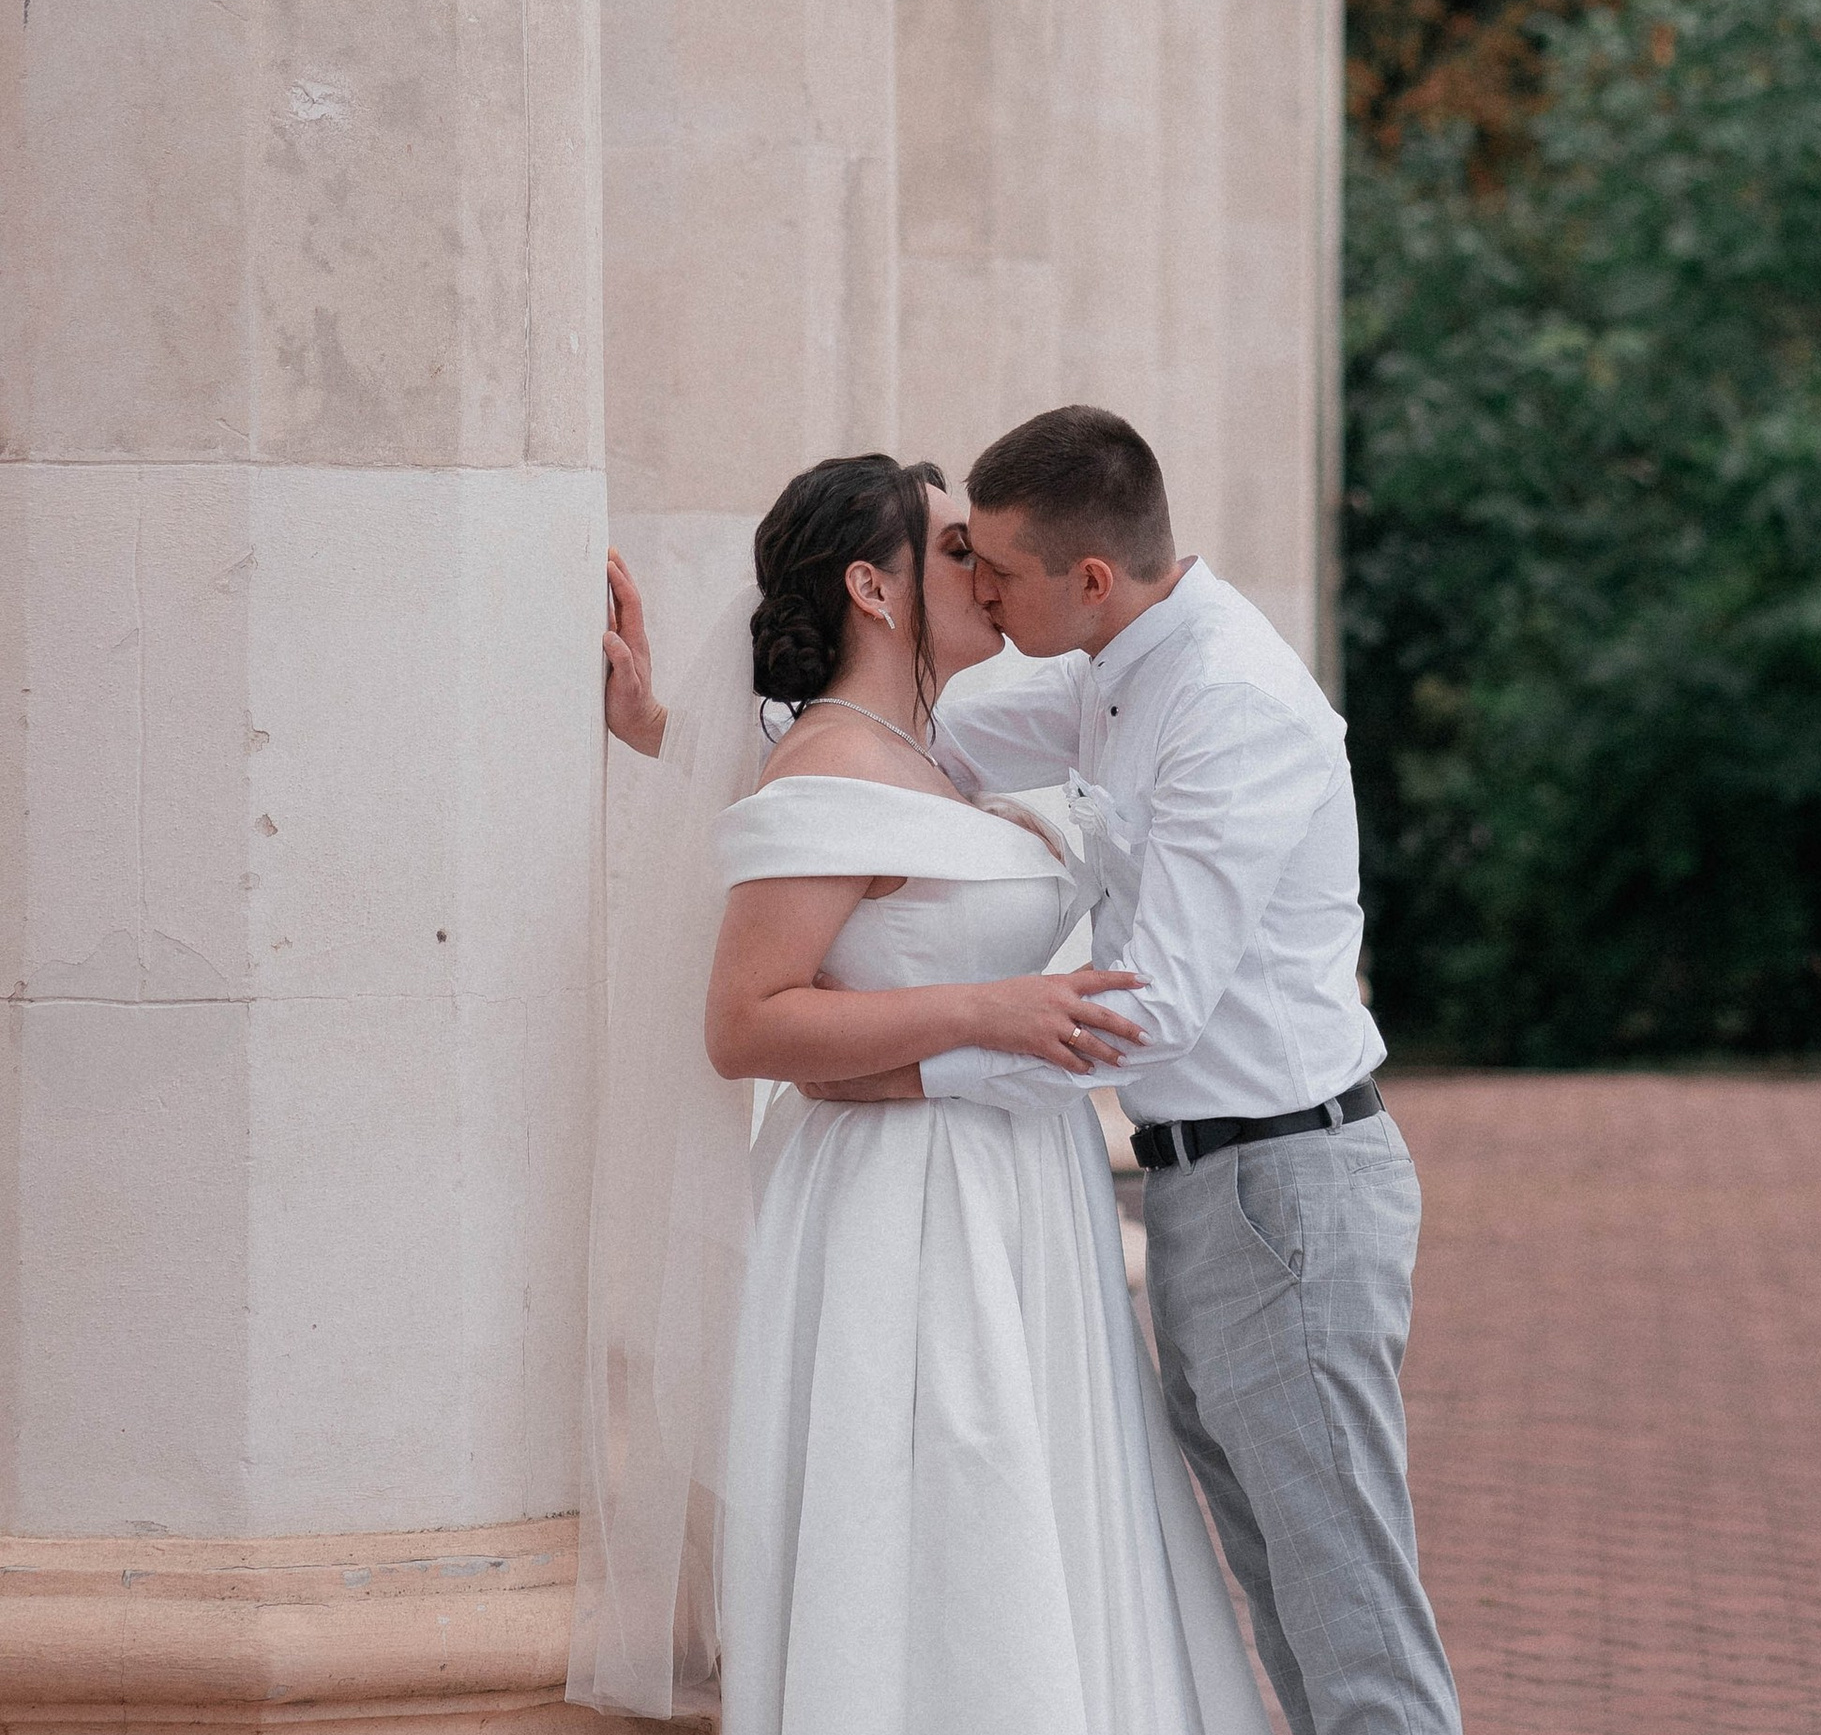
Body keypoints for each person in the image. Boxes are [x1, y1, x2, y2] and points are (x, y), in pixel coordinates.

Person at [604, 409, 1463, 1735]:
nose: (985, 585)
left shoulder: (1225, 702)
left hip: (1283, 1184)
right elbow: (861, 784)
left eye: (991, 559)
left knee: (1345, 1607)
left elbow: (1148, 1017)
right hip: (1186, 1192)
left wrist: (917, 1069)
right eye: (960, 555)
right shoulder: (1101, 678)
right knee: (1287, 1596)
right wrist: (667, 730)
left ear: (1092, 580)